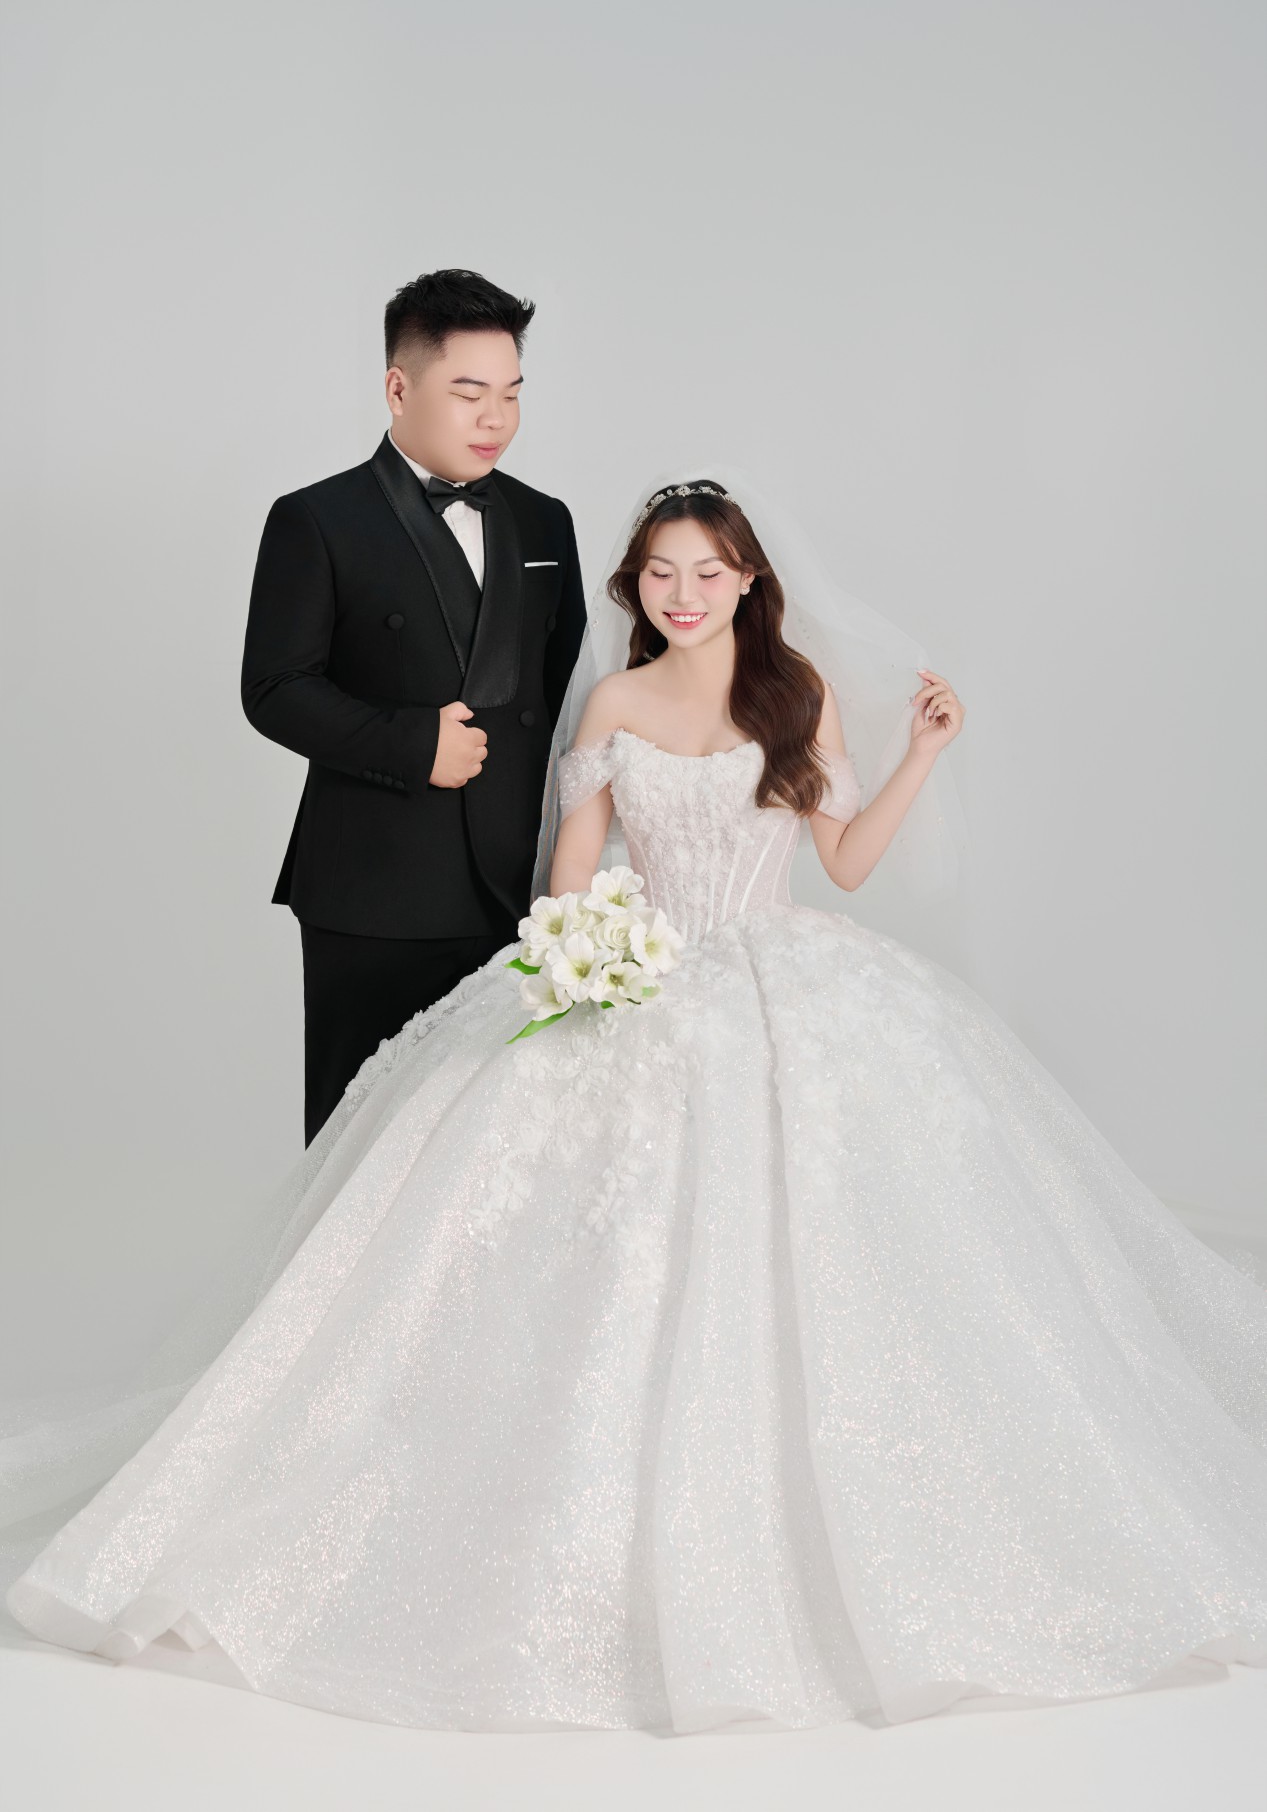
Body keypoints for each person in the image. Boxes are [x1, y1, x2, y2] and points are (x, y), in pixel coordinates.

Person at [5, 479, 1266, 1735]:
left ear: (748, 579)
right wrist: (575, 957)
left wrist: (922, 756)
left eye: (707, 571)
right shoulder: (612, 702)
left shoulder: (796, 695)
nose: (683, 593)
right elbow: (568, 875)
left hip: (781, 977)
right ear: (633, 585)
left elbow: (843, 862)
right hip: (637, 968)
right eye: (660, 572)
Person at [241, 268, 587, 1143]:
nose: (495, 418)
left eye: (511, 393)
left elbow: (567, 695)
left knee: (500, 1150)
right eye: (469, 393)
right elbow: (273, 689)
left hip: (522, 889)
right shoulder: (317, 519)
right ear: (399, 388)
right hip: (376, 889)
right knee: (358, 1142)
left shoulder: (546, 522)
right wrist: (410, 743)